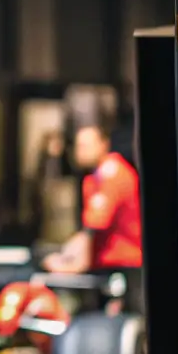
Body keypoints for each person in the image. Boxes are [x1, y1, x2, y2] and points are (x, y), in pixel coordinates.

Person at [43, 115, 142, 275]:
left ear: (104, 145)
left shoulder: (112, 173)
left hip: (123, 265)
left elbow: (93, 227)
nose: (81, 151)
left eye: (86, 146)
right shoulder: (93, 178)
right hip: (106, 264)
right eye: (79, 146)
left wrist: (70, 266)